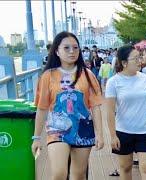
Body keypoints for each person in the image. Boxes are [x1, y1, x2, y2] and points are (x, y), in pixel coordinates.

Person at [31, 31, 104, 180]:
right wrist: (36, 137)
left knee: (78, 175)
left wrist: (100, 134)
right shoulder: (47, 76)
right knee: (59, 173)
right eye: (66, 48)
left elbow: (95, 106)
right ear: (57, 51)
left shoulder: (88, 75)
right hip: (57, 129)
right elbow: (42, 108)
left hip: (83, 128)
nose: (72, 51)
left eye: (75, 47)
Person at [104, 45, 146, 180]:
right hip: (123, 132)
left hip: (145, 131)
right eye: (136, 58)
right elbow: (109, 111)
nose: (140, 61)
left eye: (140, 57)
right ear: (124, 63)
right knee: (125, 169)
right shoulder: (113, 82)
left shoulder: (145, 78)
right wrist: (113, 135)